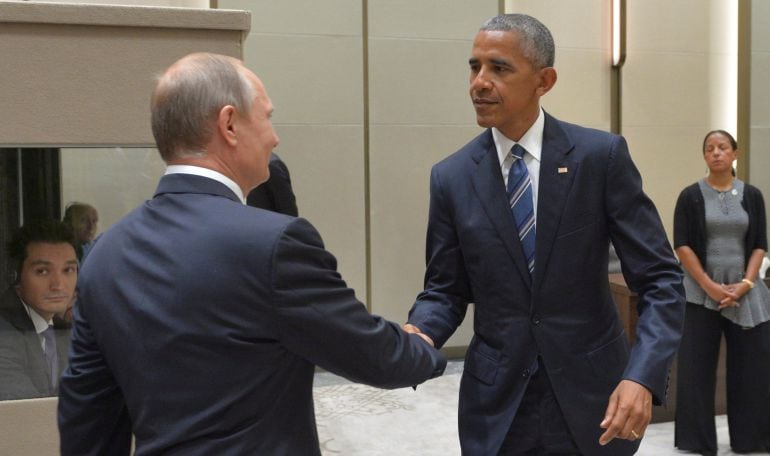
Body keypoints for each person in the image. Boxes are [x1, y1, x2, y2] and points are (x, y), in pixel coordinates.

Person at [57, 52, 446, 455]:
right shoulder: (274, 245)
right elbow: (368, 352)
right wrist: (422, 348)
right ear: (229, 124)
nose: (274, 137)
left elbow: (87, 416)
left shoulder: (105, 255)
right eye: (267, 117)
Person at [403, 14, 685, 455]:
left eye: (498, 68)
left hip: (595, 400)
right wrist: (419, 331)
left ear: (544, 80)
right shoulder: (451, 177)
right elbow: (445, 289)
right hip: (496, 405)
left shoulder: (600, 159)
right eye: (474, 67)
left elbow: (661, 281)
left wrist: (642, 375)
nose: (479, 82)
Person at [673, 130, 770, 455]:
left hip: (747, 293)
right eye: (710, 149)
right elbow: (682, 245)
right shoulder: (690, 195)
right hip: (700, 294)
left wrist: (745, 283)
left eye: (722, 147)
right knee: (696, 370)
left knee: (751, 371)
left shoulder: (752, 195)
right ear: (704, 156)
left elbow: (759, 244)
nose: (716, 153)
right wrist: (710, 286)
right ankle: (697, 442)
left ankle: (751, 440)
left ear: (734, 153)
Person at [0, 220, 77, 400]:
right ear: (15, 275)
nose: (58, 285)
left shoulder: (66, 329)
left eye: (68, 270)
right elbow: (28, 410)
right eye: (42, 271)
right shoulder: (4, 332)